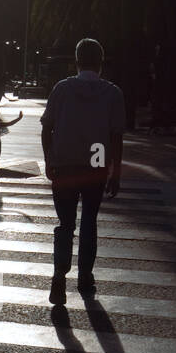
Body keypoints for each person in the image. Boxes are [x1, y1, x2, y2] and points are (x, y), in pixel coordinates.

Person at [40, 38, 125, 304]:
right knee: (89, 220)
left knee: (65, 224)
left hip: (64, 164)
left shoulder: (62, 89)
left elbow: (47, 128)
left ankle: (58, 278)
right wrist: (115, 171)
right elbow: (116, 137)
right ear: (101, 62)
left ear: (76, 61)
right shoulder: (112, 93)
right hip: (96, 164)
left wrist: (49, 159)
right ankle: (85, 276)